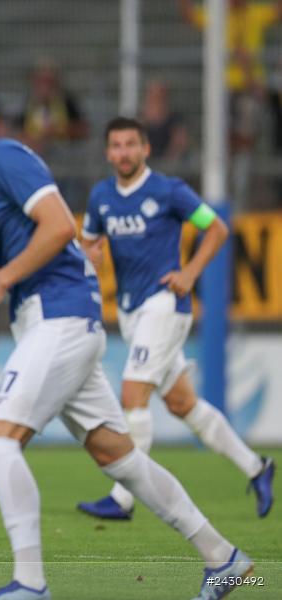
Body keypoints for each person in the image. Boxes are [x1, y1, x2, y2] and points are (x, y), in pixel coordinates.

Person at [0, 75, 253, 600]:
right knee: (119, 457)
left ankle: (30, 585)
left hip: (60, 320)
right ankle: (226, 559)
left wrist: (3, 279)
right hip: (63, 321)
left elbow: (59, 227)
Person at [77, 117, 275, 521]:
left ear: (145, 149)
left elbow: (216, 228)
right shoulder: (101, 197)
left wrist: (190, 273)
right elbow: (89, 243)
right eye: (116, 145)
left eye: (131, 144)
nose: (123, 152)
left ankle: (123, 498)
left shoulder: (169, 191)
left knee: (133, 396)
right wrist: (89, 254)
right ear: (107, 152)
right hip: (132, 312)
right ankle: (258, 467)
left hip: (164, 306)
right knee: (183, 403)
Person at [180, 0, 282, 205]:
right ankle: (221, 192)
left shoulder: (255, 13)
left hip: (249, 89)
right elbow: (189, 15)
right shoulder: (217, 15)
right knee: (220, 142)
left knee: (246, 142)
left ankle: (240, 197)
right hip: (221, 90)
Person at [140, 79, 189, 165]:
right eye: (153, 95)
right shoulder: (140, 119)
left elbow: (180, 144)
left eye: (160, 95)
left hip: (170, 167)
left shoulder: (176, 120)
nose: (157, 98)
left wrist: (168, 164)